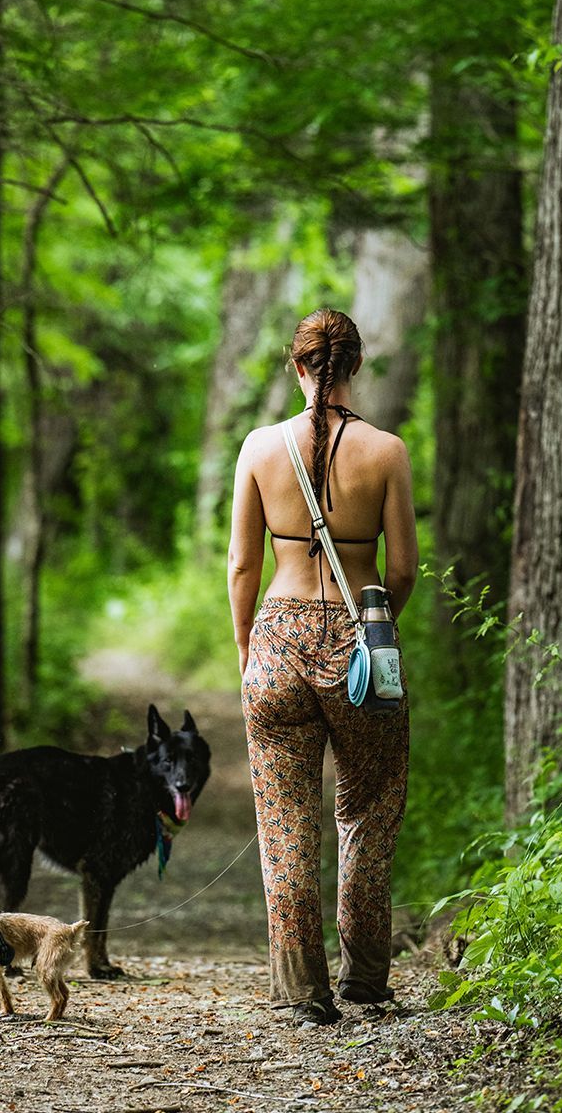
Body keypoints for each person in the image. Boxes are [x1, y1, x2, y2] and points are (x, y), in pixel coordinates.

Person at [227, 306, 418, 1027]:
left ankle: (303, 993)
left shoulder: (257, 447)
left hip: (276, 635)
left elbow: (244, 564)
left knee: (285, 823)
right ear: (356, 366)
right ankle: (366, 980)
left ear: (297, 366)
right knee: (368, 811)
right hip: (358, 639)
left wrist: (249, 648)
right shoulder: (387, 452)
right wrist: (372, 626)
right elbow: (402, 568)